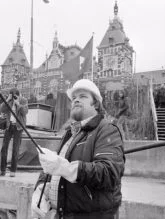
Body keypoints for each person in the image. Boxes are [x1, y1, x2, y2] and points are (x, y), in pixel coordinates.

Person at [31, 79, 125, 219]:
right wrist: (40, 188)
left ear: (96, 104)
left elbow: (109, 172)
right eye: (74, 98)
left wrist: (67, 168)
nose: (76, 100)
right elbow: (54, 168)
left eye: (83, 96)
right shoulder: (69, 134)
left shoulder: (107, 130)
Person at [0, 88, 28, 177]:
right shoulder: (9, 101)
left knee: (15, 149)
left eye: (15, 95)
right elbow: (2, 109)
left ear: (19, 94)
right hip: (9, 126)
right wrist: (8, 99)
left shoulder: (23, 100)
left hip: (18, 127)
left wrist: (18, 103)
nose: (14, 97)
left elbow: (25, 112)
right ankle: (2, 170)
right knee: (4, 148)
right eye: (12, 95)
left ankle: (13, 170)